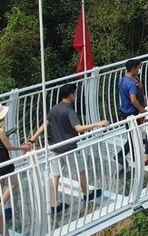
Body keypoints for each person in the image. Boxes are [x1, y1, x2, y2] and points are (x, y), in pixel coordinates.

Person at [42, 84, 107, 213]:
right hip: (69, 147)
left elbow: (45, 125)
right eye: (75, 93)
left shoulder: (54, 109)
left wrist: (32, 139)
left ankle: (54, 203)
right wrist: (97, 124)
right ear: (71, 94)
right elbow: (78, 128)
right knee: (80, 171)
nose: (75, 95)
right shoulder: (69, 111)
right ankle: (86, 193)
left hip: (55, 147)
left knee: (55, 175)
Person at [0, 103, 30, 221]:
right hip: (3, 158)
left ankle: (1, 208)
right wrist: (23, 148)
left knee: (0, 184)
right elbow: (8, 147)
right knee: (13, 183)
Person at [115, 59, 147, 171]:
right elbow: (133, 99)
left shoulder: (122, 80)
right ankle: (120, 155)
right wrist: (142, 110)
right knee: (133, 136)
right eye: (138, 68)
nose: (139, 70)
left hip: (125, 111)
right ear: (133, 69)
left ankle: (134, 156)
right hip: (132, 112)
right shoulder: (132, 83)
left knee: (133, 134)